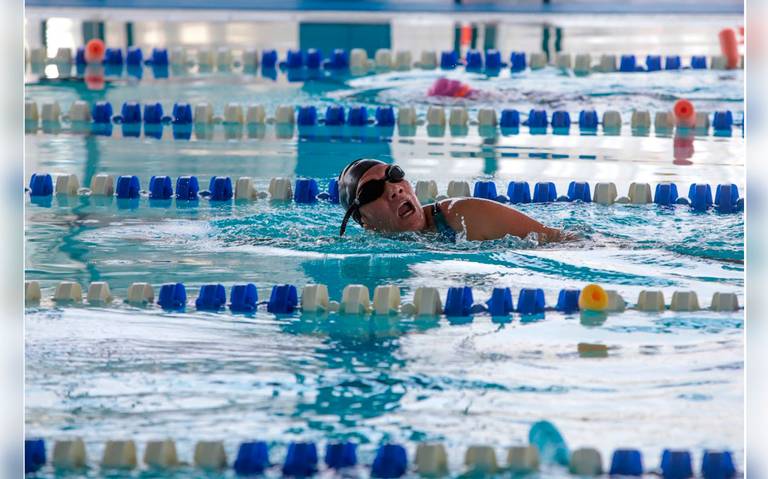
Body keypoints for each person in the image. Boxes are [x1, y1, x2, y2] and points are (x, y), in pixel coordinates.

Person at [337, 158, 573, 243]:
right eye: (371, 191)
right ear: (365, 222)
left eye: (394, 175)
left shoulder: (464, 215)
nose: (394, 190)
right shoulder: (369, 251)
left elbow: (558, 239)